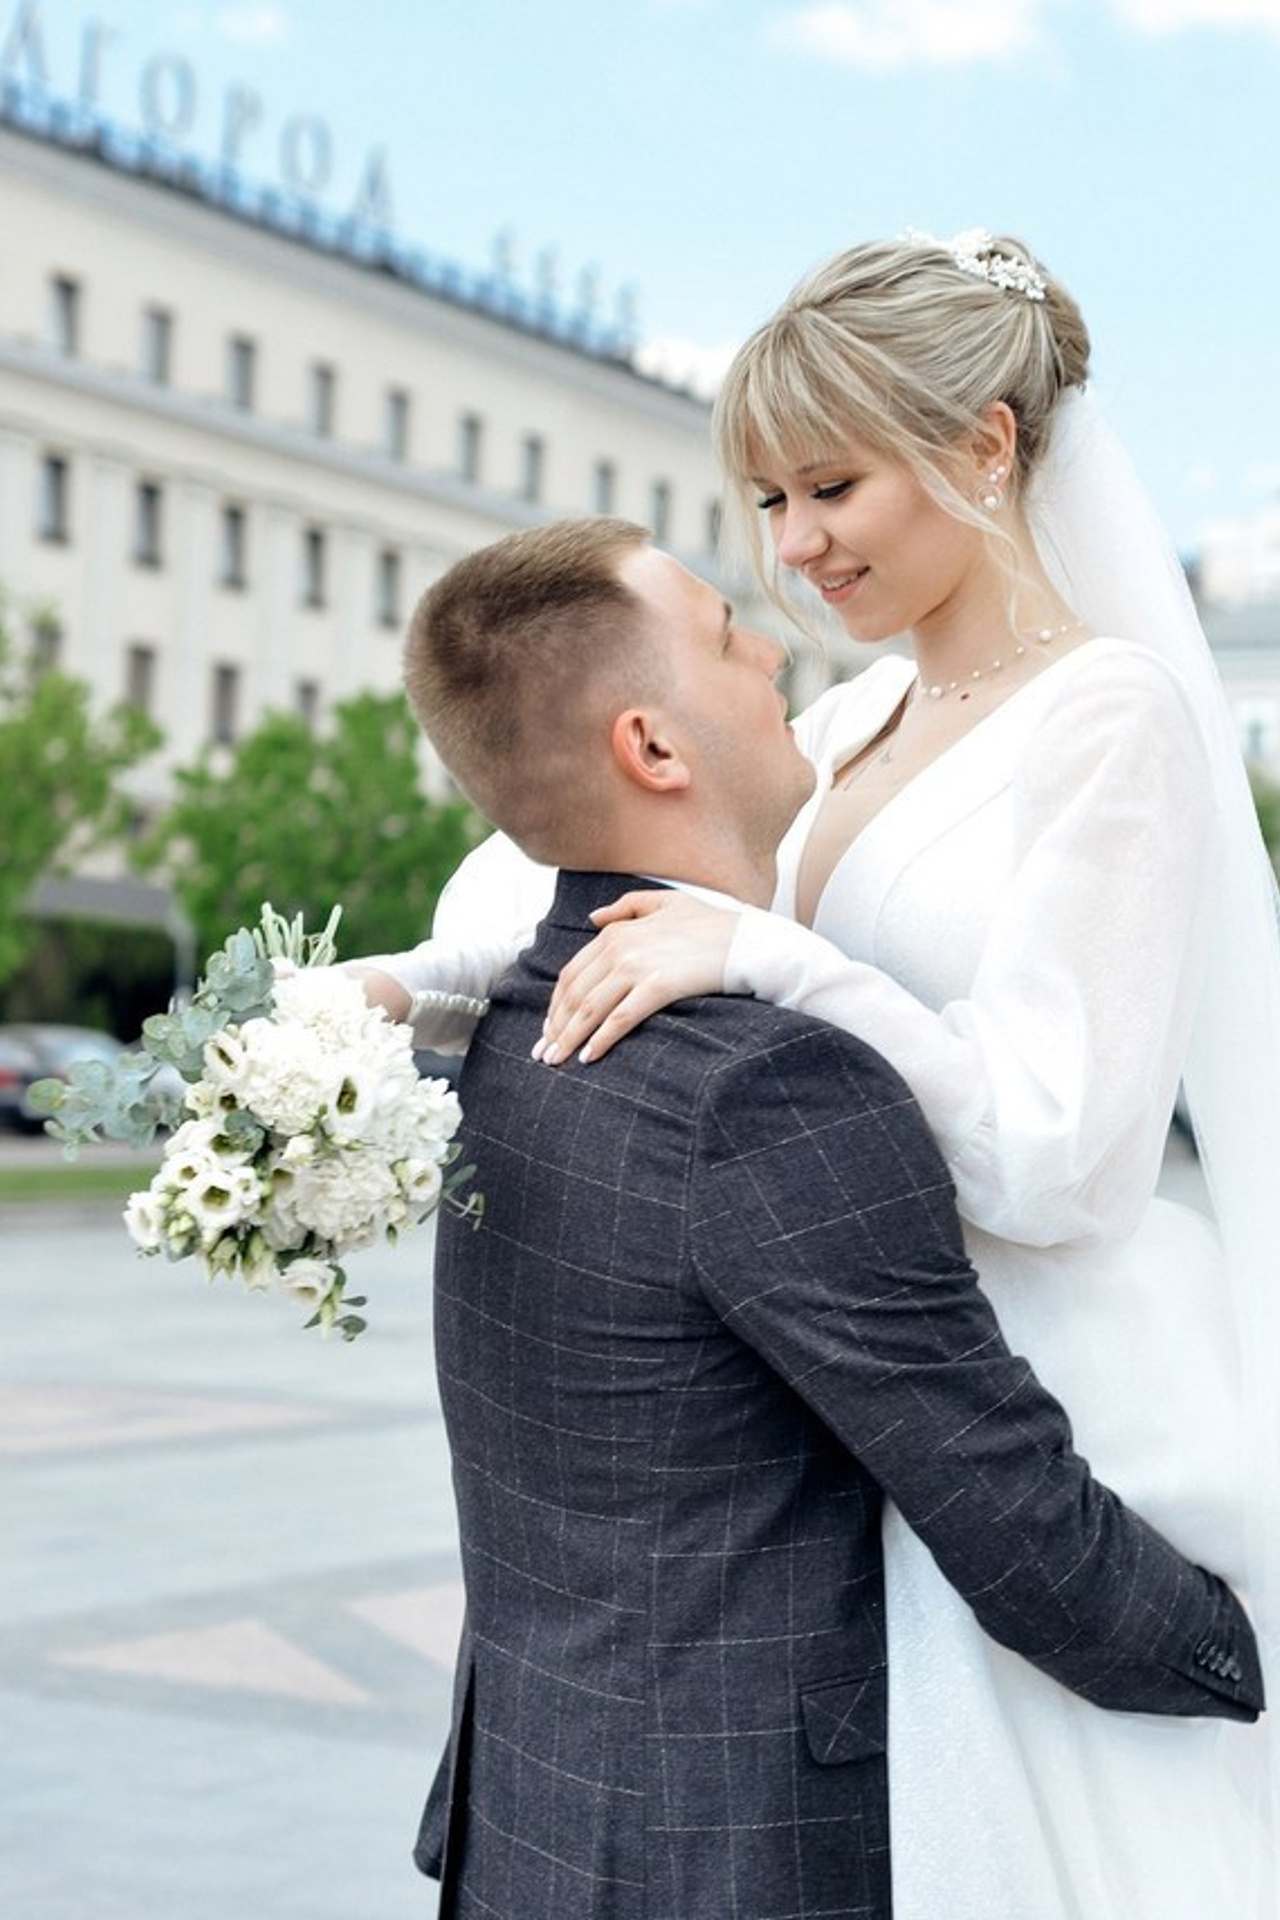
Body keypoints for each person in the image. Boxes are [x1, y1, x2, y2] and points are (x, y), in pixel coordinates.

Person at [353, 232, 1280, 1918]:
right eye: (770, 500)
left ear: (982, 447)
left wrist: (788, 963)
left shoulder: (1109, 718)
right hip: (849, 1389)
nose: (792, 547)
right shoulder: (850, 724)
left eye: (831, 486)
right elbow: (646, 902)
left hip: (1028, 1392)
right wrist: (422, 986)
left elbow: (1068, 1165)